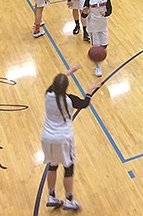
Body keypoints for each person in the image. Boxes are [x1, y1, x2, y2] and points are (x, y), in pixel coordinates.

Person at [41, 64, 100, 211]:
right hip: (63, 139)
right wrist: (89, 91)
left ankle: (51, 196)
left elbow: (56, 84)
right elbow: (84, 104)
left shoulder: (48, 94)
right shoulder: (70, 100)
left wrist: (69, 72)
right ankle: (69, 199)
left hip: (47, 137)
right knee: (68, 169)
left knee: (52, 166)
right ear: (66, 87)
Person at [82, 0, 112, 77]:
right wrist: (84, 13)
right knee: (96, 46)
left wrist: (106, 13)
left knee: (104, 45)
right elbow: (84, 15)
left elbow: (110, 10)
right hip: (93, 26)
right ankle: (97, 65)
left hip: (103, 25)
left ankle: (99, 59)